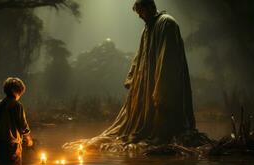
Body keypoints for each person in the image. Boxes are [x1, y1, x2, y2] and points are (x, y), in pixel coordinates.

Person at [76, 0, 197, 148]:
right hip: (148, 83)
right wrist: (132, 76)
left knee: (163, 119)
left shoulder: (167, 23)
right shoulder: (147, 28)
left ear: (150, 7)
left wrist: (161, 87)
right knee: (135, 127)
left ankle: (164, 134)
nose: (140, 16)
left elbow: (168, 58)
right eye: (138, 13)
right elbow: (140, 55)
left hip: (163, 81)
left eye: (141, 11)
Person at [0, 77, 33, 164]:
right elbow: (23, 125)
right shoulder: (17, 105)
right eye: (20, 93)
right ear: (16, 91)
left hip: (2, 143)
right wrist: (29, 139)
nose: (20, 96)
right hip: (13, 144)